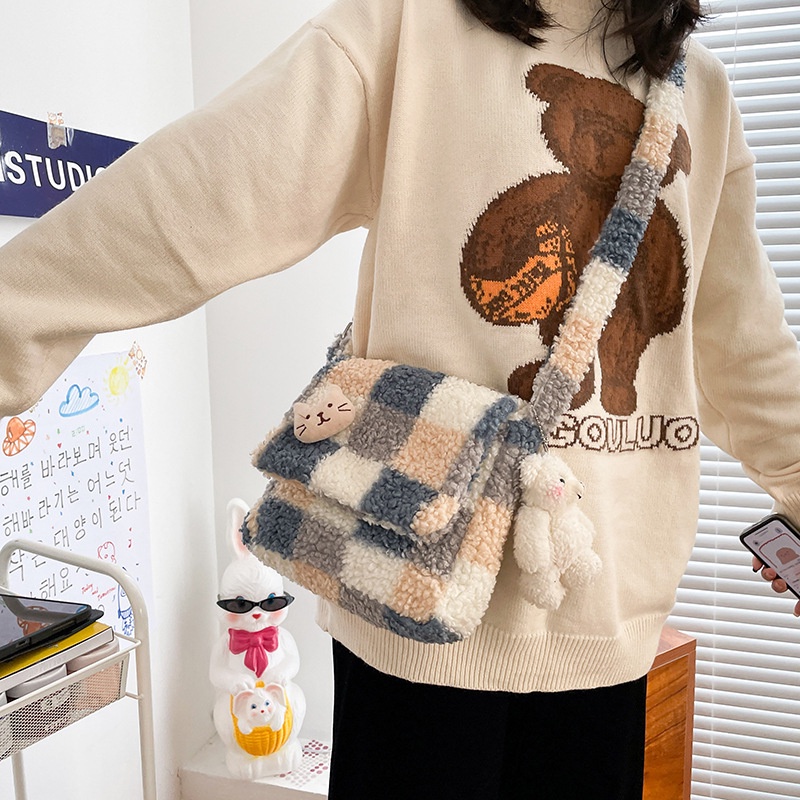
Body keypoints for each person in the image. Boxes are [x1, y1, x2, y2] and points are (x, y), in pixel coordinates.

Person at [1, 0, 799, 797]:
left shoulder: (699, 91)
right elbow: (200, 193)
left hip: (603, 628)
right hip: (408, 596)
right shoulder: (407, 29)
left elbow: (743, 345)